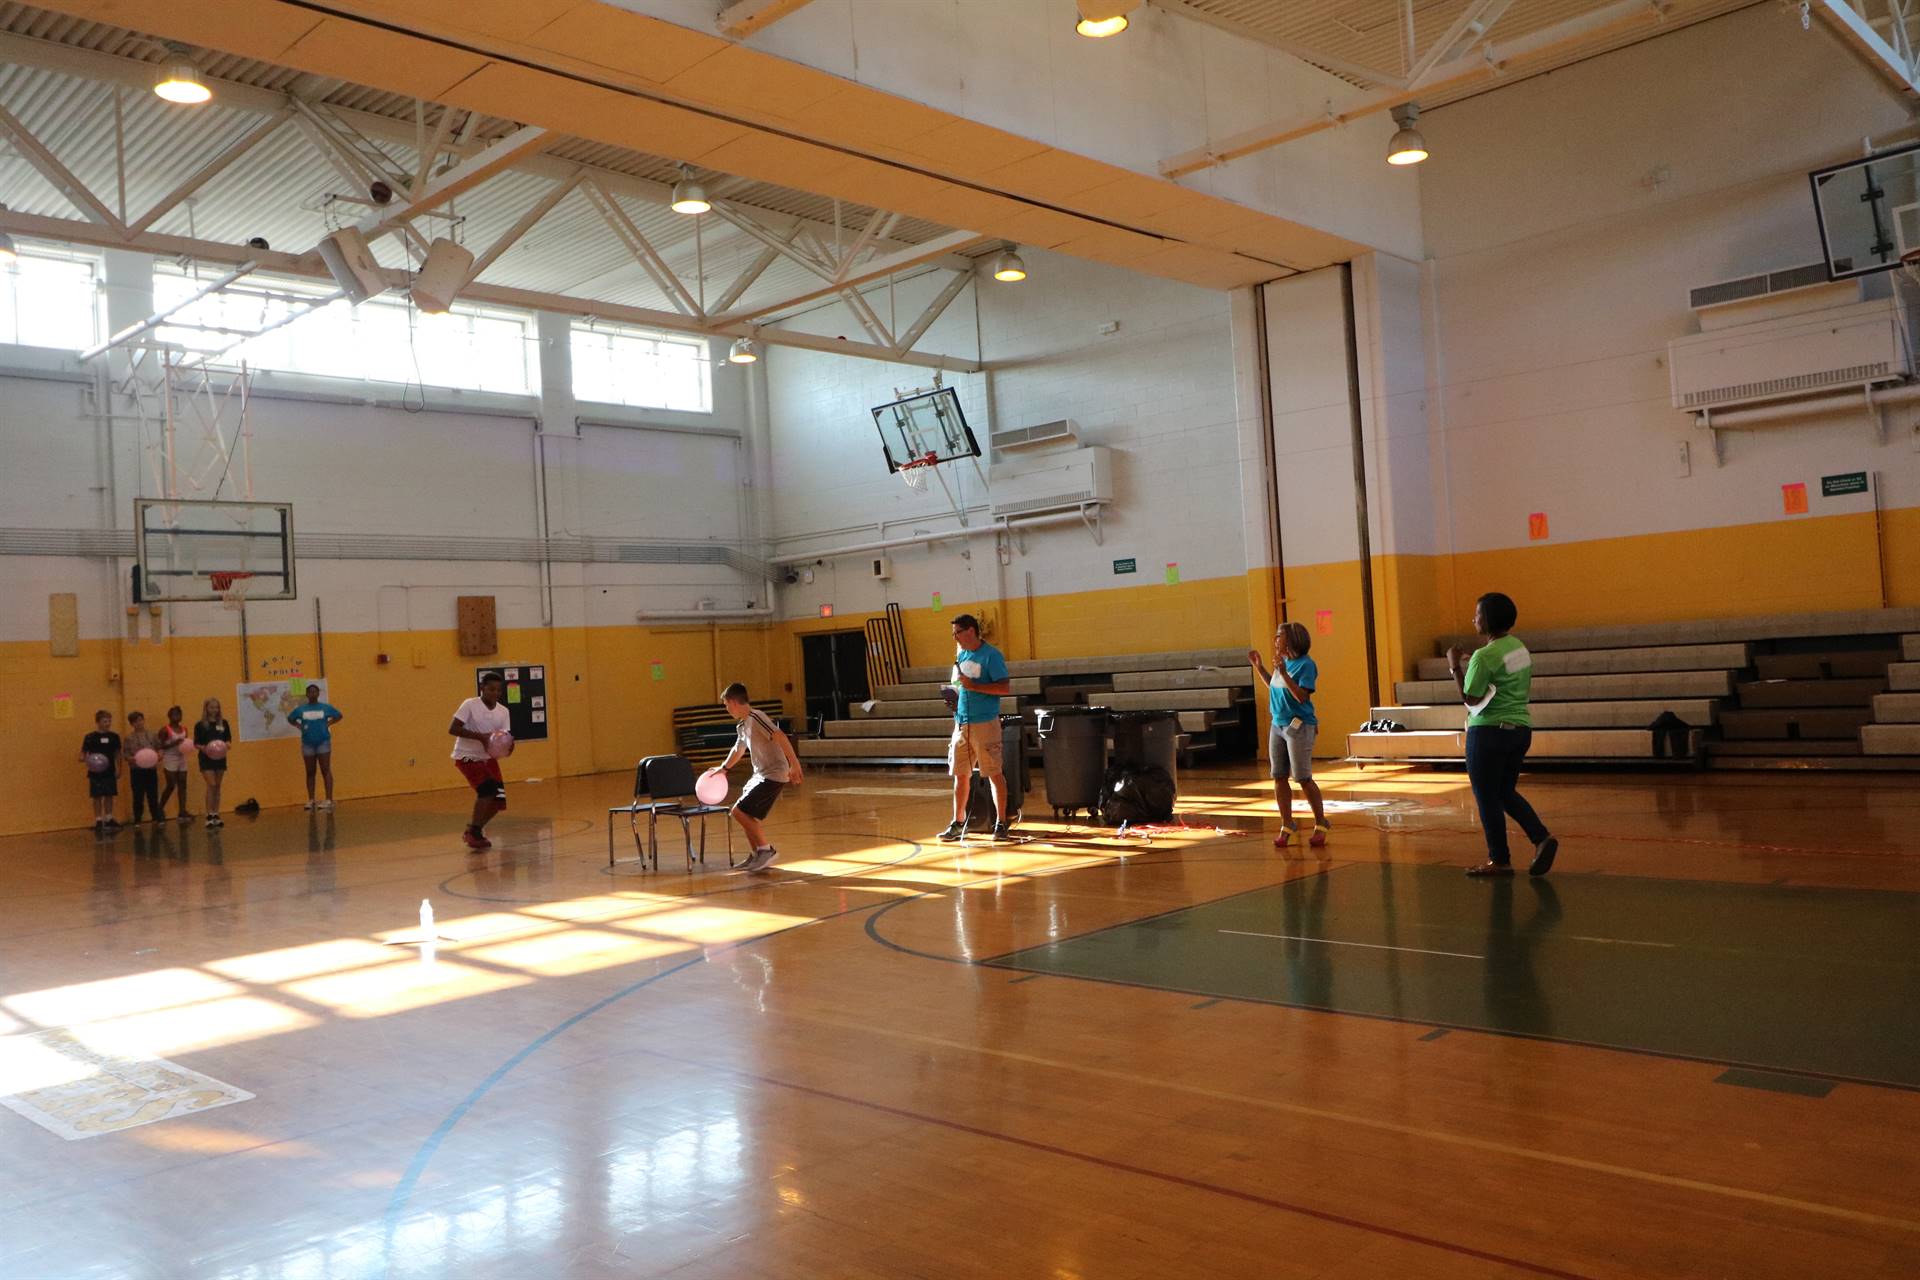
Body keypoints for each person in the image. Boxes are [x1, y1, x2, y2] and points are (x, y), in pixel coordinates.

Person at [1447, 591, 1559, 878]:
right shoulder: (1519, 648)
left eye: (1478, 614)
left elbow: (1470, 697)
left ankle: (1500, 859)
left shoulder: (1484, 657)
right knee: (1504, 792)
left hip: (1489, 733)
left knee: (1486, 797)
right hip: (1520, 730)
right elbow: (1505, 675)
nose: (1474, 618)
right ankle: (1541, 838)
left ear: (1488, 620)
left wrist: (1454, 665)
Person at [1250, 620, 1328, 849]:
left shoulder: (1306, 665)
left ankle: (1321, 823)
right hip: (1278, 725)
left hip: (1299, 726)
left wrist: (1284, 673)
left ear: (1291, 640)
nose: (1275, 640)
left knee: (1303, 777)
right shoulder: (1281, 663)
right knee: (1278, 775)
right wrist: (1260, 667)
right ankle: (1287, 824)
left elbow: (1302, 696)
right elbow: (1274, 686)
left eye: (1279, 636)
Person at [936, 613, 1013, 842]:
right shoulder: (960, 655)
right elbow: (960, 686)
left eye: (957, 632)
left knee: (993, 773)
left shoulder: (991, 656)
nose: (955, 638)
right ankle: (958, 822)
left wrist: (975, 686)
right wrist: (953, 696)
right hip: (962, 723)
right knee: (960, 774)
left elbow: (1004, 688)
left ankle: (1001, 823)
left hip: (985, 723)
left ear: (970, 631)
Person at [716, 682, 803, 873]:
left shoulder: (757, 717)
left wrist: (794, 764)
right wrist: (724, 769)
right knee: (743, 813)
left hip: (774, 773)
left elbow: (780, 736)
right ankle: (757, 853)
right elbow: (738, 750)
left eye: (726, 705)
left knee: (738, 811)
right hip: (759, 774)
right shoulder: (742, 725)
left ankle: (766, 850)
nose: (727, 709)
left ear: (733, 702)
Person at [449, 674, 512, 850]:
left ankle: (474, 830)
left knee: (498, 802)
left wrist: (508, 745)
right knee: (487, 790)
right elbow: (453, 728)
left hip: (488, 759)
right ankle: (475, 833)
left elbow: (503, 737)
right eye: (491, 689)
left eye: (499, 690)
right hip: (467, 757)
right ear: (482, 687)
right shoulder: (470, 704)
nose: (495, 693)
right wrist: (481, 738)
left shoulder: (503, 711)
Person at [288, 684, 343, 810]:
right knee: (310, 771)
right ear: (307, 695)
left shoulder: (325, 708)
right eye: (310, 692)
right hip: (308, 743)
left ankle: (329, 799)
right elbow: (291, 718)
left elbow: (339, 715)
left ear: (318, 694)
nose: (313, 694)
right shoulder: (301, 709)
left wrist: (329, 723)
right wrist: (299, 726)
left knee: (325, 769)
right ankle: (311, 800)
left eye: (315, 692)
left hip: (323, 742)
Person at [80, 709, 121, 832]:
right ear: (97, 722)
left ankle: (109, 818)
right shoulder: (90, 737)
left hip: (109, 770)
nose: (107, 723)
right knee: (96, 796)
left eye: (109, 721)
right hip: (95, 771)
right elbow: (83, 753)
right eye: (104, 721)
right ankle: (98, 820)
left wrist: (119, 768)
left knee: (109, 795)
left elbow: (117, 754)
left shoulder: (114, 737)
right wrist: (84, 758)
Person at [194, 698, 232, 829]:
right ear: (206, 709)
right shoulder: (200, 725)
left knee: (218, 786)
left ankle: (216, 813)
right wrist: (204, 748)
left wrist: (226, 745)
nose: (214, 710)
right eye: (211, 707)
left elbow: (228, 739)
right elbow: (196, 743)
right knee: (211, 784)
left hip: (220, 758)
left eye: (216, 707)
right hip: (206, 758)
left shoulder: (224, 723)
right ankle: (209, 815)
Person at [123, 710, 163, 825]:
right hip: (136, 770)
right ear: (131, 724)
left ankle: (155, 817)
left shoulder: (152, 735)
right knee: (138, 795)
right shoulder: (129, 738)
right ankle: (137, 819)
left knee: (153, 794)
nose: (139, 723)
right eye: (135, 721)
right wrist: (130, 759)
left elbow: (159, 747)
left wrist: (160, 754)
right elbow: (125, 754)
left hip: (150, 769)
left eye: (140, 720)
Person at [157, 706, 193, 823]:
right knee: (171, 784)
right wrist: (174, 743)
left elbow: (185, 744)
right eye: (174, 715)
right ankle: (159, 808)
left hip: (181, 758)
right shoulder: (165, 730)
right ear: (169, 716)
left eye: (179, 714)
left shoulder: (184, 729)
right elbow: (160, 746)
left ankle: (182, 811)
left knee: (183, 783)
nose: (177, 717)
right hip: (170, 757)